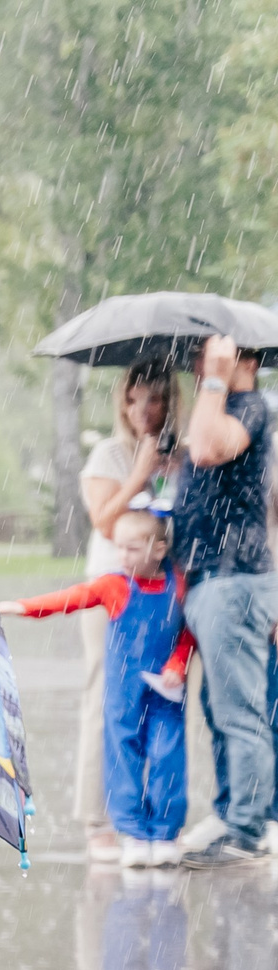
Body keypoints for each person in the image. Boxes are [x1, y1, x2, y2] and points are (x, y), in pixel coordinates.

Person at [1, 510, 188, 864]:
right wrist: (20, 607)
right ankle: (133, 834)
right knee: (124, 757)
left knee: (168, 757)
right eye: (119, 549)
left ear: (159, 549)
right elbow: (69, 599)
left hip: (167, 694)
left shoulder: (177, 583)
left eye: (132, 549)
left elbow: (186, 632)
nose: (123, 557)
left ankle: (165, 834)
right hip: (125, 695)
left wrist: (178, 663)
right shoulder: (114, 585)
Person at [171, 335, 274, 868]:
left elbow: (210, 448)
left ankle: (250, 830)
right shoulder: (225, 407)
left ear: (245, 360)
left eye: (210, 353)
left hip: (234, 579)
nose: (198, 363)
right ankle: (237, 814)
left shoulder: (250, 406)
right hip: (212, 578)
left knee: (241, 711)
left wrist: (214, 378)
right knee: (223, 708)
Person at [75, 367, 178, 859]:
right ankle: (98, 817)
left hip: (162, 598)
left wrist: (170, 471)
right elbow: (102, 520)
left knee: (162, 706)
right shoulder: (108, 455)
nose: (143, 411)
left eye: (154, 400)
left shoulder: (180, 457)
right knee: (107, 701)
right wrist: (138, 473)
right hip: (114, 593)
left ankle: (153, 816)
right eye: (134, 400)